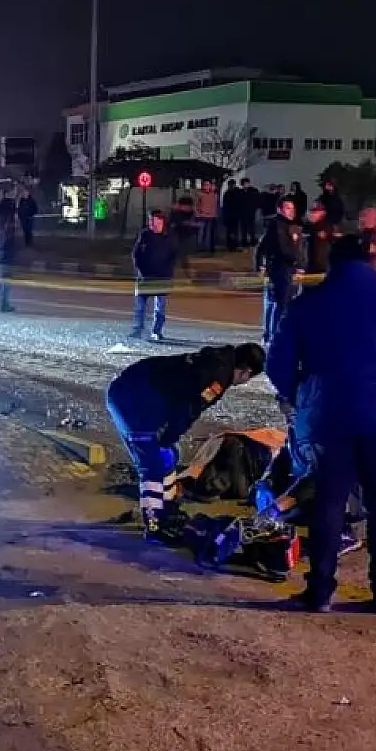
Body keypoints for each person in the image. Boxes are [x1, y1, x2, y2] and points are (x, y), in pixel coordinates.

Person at [265, 234, 376, 614]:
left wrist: (299, 394)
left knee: (329, 502)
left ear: (332, 264)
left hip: (330, 415)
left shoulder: (307, 304)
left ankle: (320, 592)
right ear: (368, 259)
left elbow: (277, 364)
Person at [105, 342, 267, 538]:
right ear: (246, 372)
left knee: (170, 456)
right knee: (152, 463)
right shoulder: (218, 378)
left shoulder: (219, 359)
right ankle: (154, 522)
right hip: (131, 399)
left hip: (141, 393)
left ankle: (166, 507)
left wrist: (168, 438)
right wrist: (169, 435)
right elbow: (188, 411)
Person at [255, 197, 306, 344]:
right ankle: (274, 336)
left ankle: (270, 335)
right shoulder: (278, 226)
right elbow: (283, 248)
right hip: (280, 270)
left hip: (284, 270)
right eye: (288, 208)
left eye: (293, 208)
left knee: (275, 303)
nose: (291, 211)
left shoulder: (290, 226)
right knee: (279, 304)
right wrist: (297, 263)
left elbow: (262, 246)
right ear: (280, 209)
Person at [130, 209, 179, 341]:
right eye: (151, 221)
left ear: (162, 221)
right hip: (145, 276)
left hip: (162, 276)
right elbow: (136, 253)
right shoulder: (145, 235)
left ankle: (157, 331)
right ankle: (137, 329)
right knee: (140, 307)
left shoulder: (169, 236)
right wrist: (140, 268)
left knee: (160, 308)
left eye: (155, 221)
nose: (152, 224)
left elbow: (174, 256)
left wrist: (168, 270)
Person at [194, 179, 220, 252]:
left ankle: (211, 247)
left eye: (208, 185)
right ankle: (200, 247)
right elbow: (196, 205)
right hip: (202, 216)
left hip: (212, 216)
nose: (207, 186)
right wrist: (197, 214)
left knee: (211, 233)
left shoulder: (214, 195)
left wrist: (217, 214)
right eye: (205, 185)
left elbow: (217, 205)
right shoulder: (200, 194)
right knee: (201, 233)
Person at [221, 179, 245, 249]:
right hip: (232, 215)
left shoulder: (229, 193)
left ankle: (232, 244)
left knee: (232, 231)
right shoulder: (231, 193)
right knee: (232, 231)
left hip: (232, 215)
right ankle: (232, 244)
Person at [238, 179, 259, 243]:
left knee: (251, 227)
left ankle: (252, 239)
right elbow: (239, 203)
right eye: (244, 183)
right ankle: (244, 240)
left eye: (247, 183)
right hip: (243, 213)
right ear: (242, 184)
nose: (246, 185)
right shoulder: (240, 192)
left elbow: (256, 201)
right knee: (244, 228)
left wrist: (254, 209)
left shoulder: (252, 191)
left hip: (250, 212)